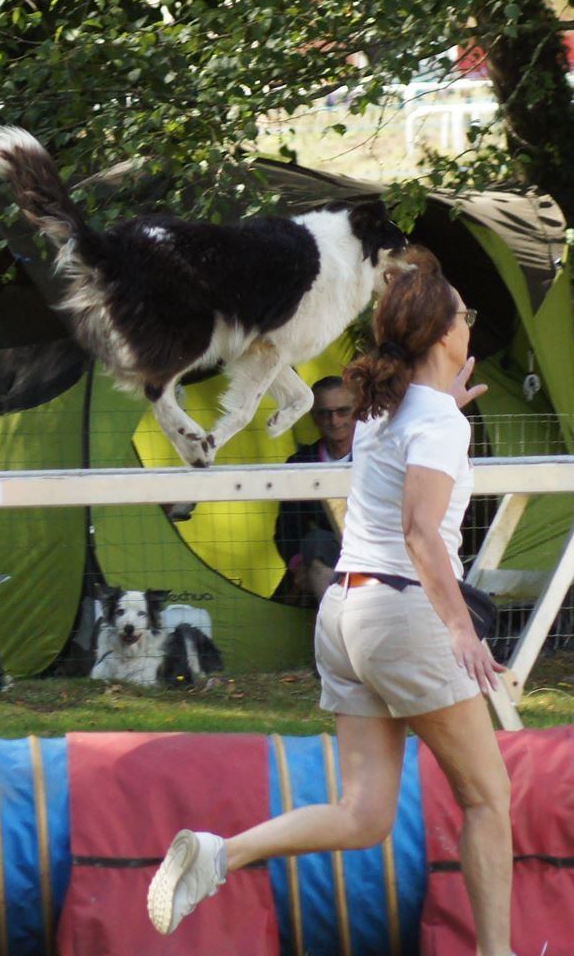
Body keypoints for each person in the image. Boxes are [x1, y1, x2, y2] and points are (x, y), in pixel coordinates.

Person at [148, 247, 515, 956]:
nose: (469, 324)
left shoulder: (387, 411)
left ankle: (218, 855)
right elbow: (419, 533)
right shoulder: (433, 422)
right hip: (404, 614)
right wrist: (460, 631)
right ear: (445, 337)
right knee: (486, 797)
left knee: (363, 815)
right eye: (464, 315)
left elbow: (403, 458)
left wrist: (446, 406)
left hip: (344, 616)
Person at [272, 375, 355, 602]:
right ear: (313, 417)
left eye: (343, 411)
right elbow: (288, 528)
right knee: (315, 540)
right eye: (324, 413)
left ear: (358, 411)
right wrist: (298, 567)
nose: (334, 420)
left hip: (376, 555)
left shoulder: (377, 455)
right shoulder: (299, 463)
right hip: (322, 557)